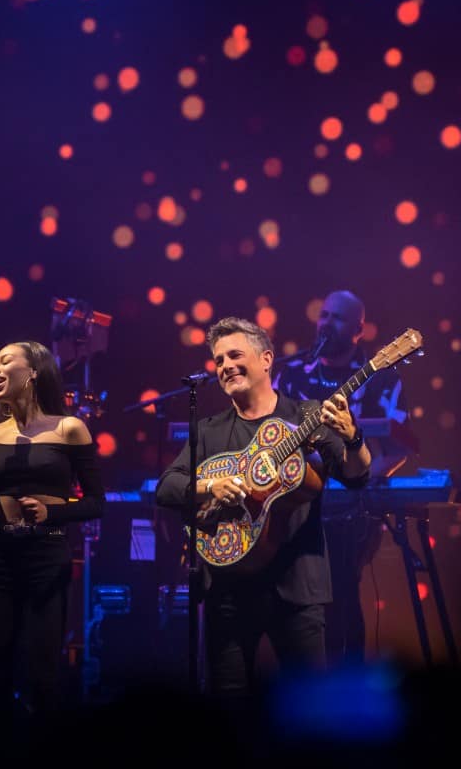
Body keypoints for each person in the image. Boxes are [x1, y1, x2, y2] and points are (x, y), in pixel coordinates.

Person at [155, 316, 371, 697]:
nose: (225, 366)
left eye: (234, 355)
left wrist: (353, 438)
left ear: (266, 359)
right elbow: (167, 488)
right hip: (228, 592)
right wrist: (210, 486)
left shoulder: (306, 415)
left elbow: (355, 476)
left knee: (308, 709)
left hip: (297, 588)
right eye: (219, 360)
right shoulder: (208, 430)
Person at [0, 341, 104, 726]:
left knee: (42, 673)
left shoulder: (69, 428)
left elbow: (97, 502)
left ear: (33, 372)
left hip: (46, 559)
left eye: (4, 361)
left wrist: (53, 510)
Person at [274, 290, 415, 665]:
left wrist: (359, 481)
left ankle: (344, 689)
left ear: (359, 330)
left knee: (339, 599)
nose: (326, 323)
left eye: (337, 318)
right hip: (289, 504)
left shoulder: (382, 379)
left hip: (350, 511)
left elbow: (401, 446)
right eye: (323, 315)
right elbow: (262, 434)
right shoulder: (291, 374)